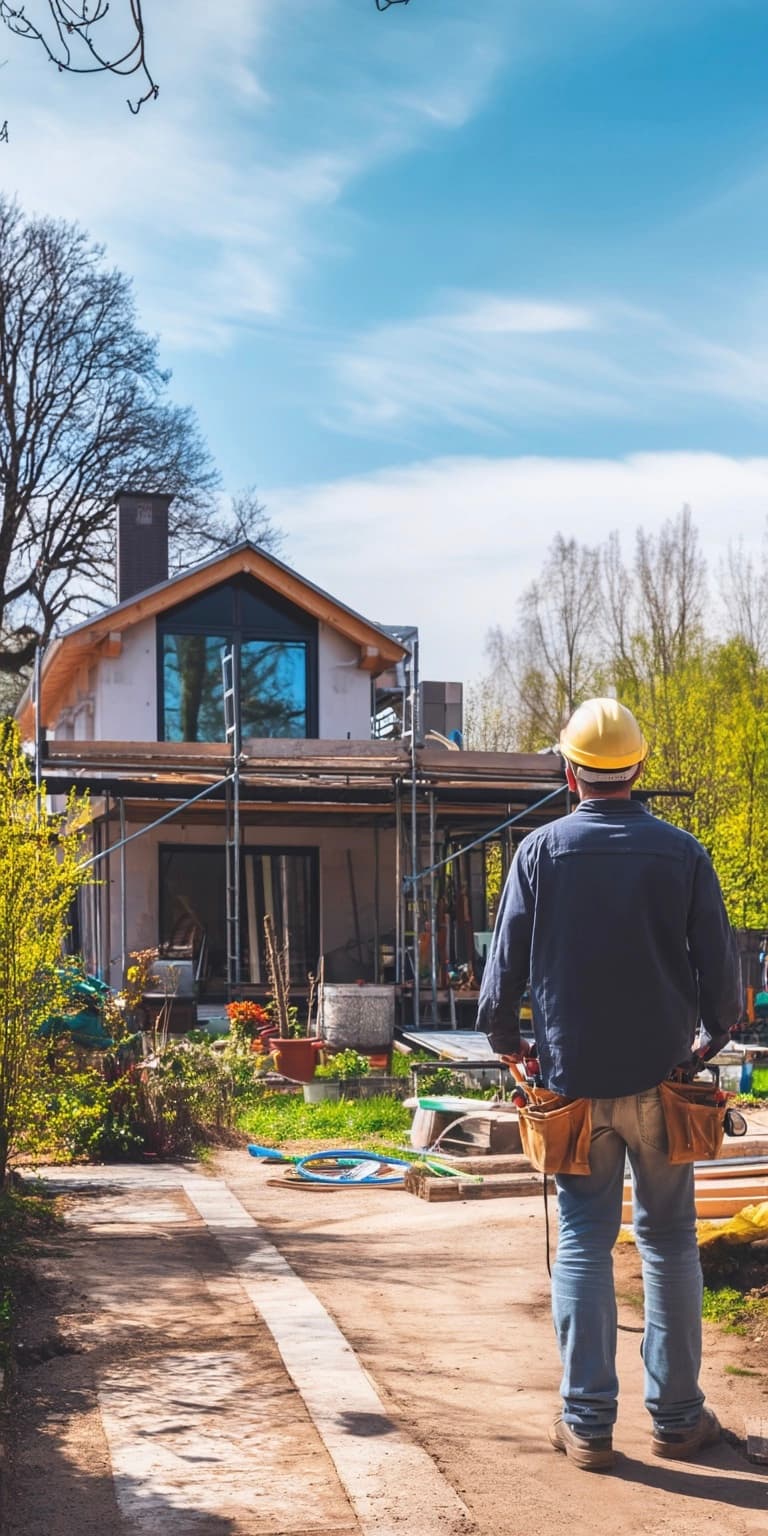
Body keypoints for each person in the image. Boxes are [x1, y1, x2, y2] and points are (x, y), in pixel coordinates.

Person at [476, 697, 740, 1472]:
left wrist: (511, 1045)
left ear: (569, 774)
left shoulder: (539, 853)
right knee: (667, 1243)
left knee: (587, 1241)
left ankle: (587, 1425)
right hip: (665, 1080)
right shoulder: (683, 853)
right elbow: (723, 984)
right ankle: (679, 1418)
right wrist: (706, 1042)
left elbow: (503, 977)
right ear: (640, 768)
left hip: (573, 1083)